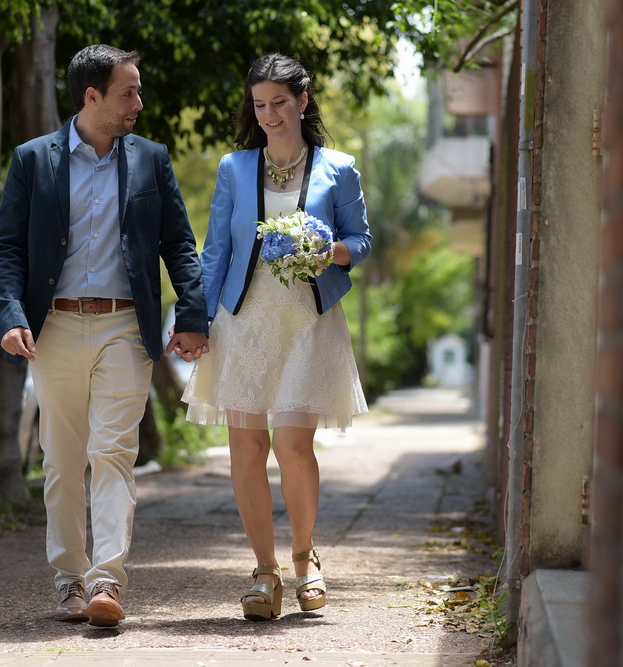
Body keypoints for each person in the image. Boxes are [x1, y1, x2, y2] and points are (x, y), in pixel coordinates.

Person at [0, 44, 209, 628]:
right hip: (54, 326)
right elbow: (8, 247)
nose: (138, 102)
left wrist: (192, 313)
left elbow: (178, 244)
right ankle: (68, 581)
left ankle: (106, 579)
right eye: (128, 92)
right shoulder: (34, 160)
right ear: (92, 97)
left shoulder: (151, 160)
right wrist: (11, 314)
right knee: (62, 461)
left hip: (123, 325)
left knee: (113, 453)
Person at [181, 53, 371, 621]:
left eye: (280, 103)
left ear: (303, 102)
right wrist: (193, 319)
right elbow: (215, 249)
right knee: (247, 448)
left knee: (292, 445)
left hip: (309, 322)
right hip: (244, 321)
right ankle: (264, 573)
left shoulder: (339, 167)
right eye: (260, 105)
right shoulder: (234, 168)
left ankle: (304, 558)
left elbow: (360, 241)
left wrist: (331, 252)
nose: (269, 115)